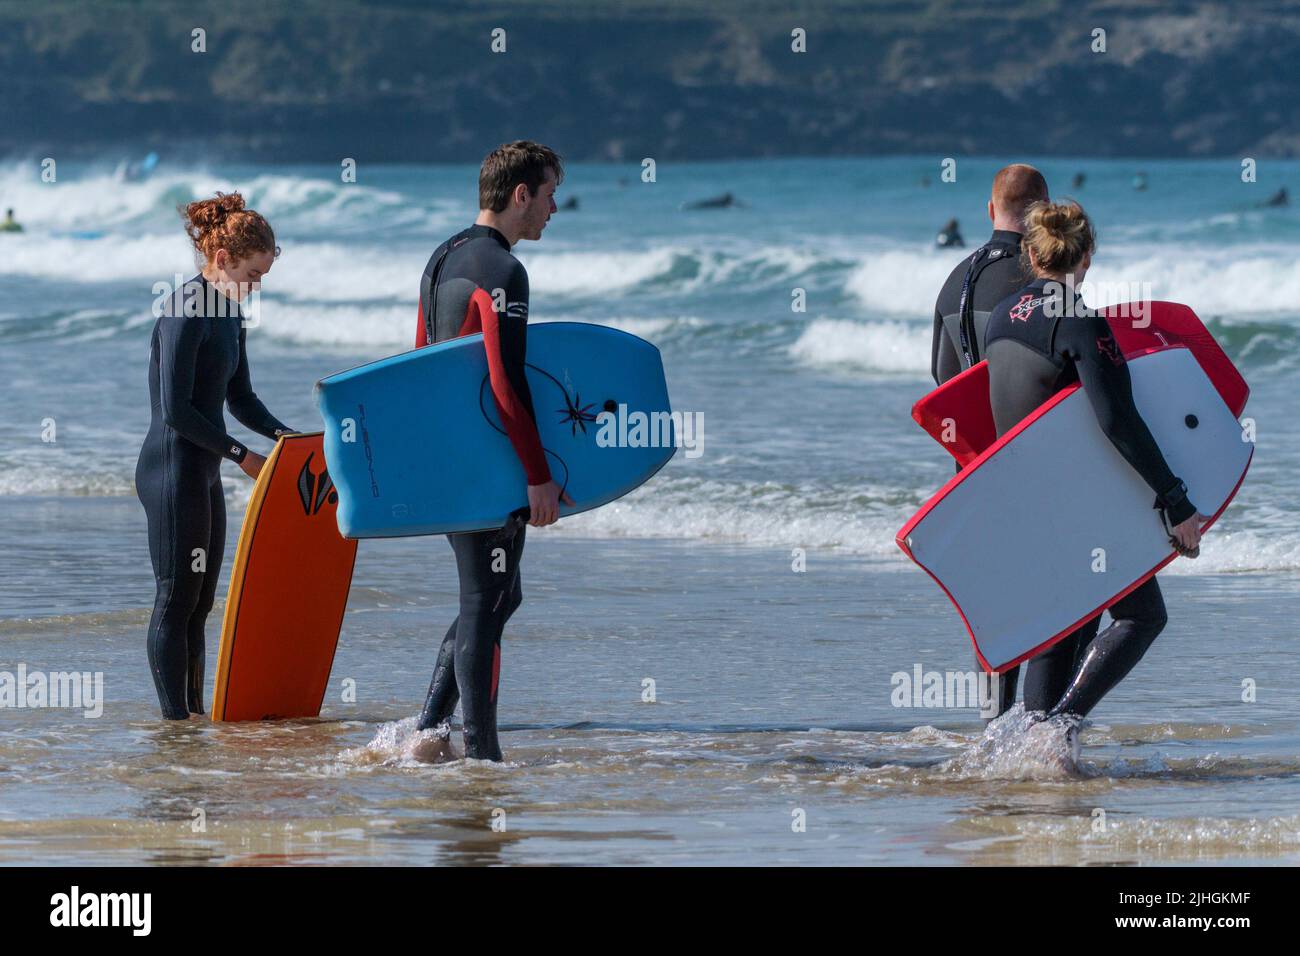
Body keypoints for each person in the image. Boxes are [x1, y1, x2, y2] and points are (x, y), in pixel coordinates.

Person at [984, 200, 1207, 728]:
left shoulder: (1001, 318)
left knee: (1069, 623)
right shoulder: (1080, 320)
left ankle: (1034, 743)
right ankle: (1055, 731)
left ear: (1030, 255)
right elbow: (1117, 420)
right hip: (1074, 505)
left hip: (1019, 498)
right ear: (1086, 256)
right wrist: (1175, 500)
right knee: (1142, 616)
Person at [413, 141, 572, 762]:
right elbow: (506, 381)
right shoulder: (504, 271)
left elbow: (419, 358)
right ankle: (482, 756)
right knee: (486, 600)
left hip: (453, 455)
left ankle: (429, 732)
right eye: (550, 193)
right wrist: (538, 476)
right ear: (520, 195)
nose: (555, 209)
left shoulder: (444, 255)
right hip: (489, 462)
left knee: (497, 596)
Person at [135, 192, 293, 719]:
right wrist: (242, 456)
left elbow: (240, 397)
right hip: (172, 470)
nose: (256, 287)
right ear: (221, 260)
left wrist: (287, 438)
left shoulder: (229, 313)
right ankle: (173, 724)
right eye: (252, 274)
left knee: (201, 605)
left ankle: (194, 715)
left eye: (263, 277)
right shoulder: (185, 309)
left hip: (202, 471)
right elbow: (176, 410)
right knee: (176, 599)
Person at [930, 164, 1049, 719]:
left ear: (989, 210)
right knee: (1051, 595)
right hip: (1027, 460)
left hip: (969, 467)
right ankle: (1041, 724)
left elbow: (942, 380)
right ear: (1045, 210)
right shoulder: (1038, 277)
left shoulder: (953, 279)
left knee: (993, 602)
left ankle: (993, 721)